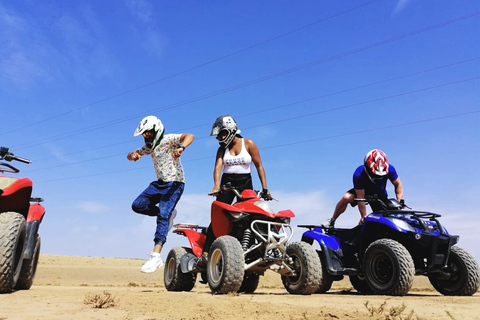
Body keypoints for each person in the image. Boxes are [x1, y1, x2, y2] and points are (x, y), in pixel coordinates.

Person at [197, 115, 272, 268]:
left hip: (245, 183)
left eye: (221, 134)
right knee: (220, 217)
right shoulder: (222, 149)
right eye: (218, 135)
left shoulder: (248, 143)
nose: (219, 138)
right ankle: (206, 253)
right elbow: (218, 167)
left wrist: (265, 188)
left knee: (249, 216)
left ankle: (249, 251)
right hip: (227, 184)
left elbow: (259, 166)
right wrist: (216, 185)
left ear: (231, 130)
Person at [127, 115, 194, 273]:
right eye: (144, 134)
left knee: (163, 214)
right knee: (138, 205)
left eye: (148, 133)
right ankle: (168, 214)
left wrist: (181, 147)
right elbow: (132, 154)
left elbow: (189, 136)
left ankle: (156, 256)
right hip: (160, 183)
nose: (146, 137)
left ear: (156, 130)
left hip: (175, 183)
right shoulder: (149, 147)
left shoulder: (168, 139)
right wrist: (133, 156)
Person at [322, 149, 404, 228]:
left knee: (386, 219)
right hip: (363, 193)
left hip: (379, 195)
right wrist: (363, 216)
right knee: (346, 198)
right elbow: (360, 198)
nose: (377, 178)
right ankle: (332, 220)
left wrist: (399, 201)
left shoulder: (390, 169)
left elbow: (398, 184)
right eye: (375, 175)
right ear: (367, 168)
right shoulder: (358, 174)